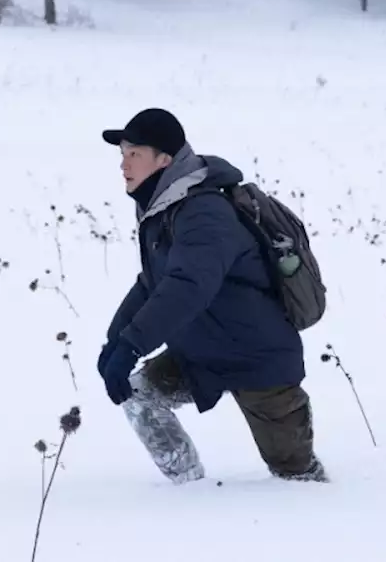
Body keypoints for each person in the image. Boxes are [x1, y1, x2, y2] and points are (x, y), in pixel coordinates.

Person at [95, 108, 327, 484]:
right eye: (122, 154)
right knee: (139, 395)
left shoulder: (203, 213)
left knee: (297, 478)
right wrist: (116, 340)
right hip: (203, 354)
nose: (123, 164)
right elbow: (153, 283)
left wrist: (132, 344)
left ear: (164, 160)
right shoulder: (164, 209)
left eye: (134, 154)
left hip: (257, 358)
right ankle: (189, 491)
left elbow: (186, 287)